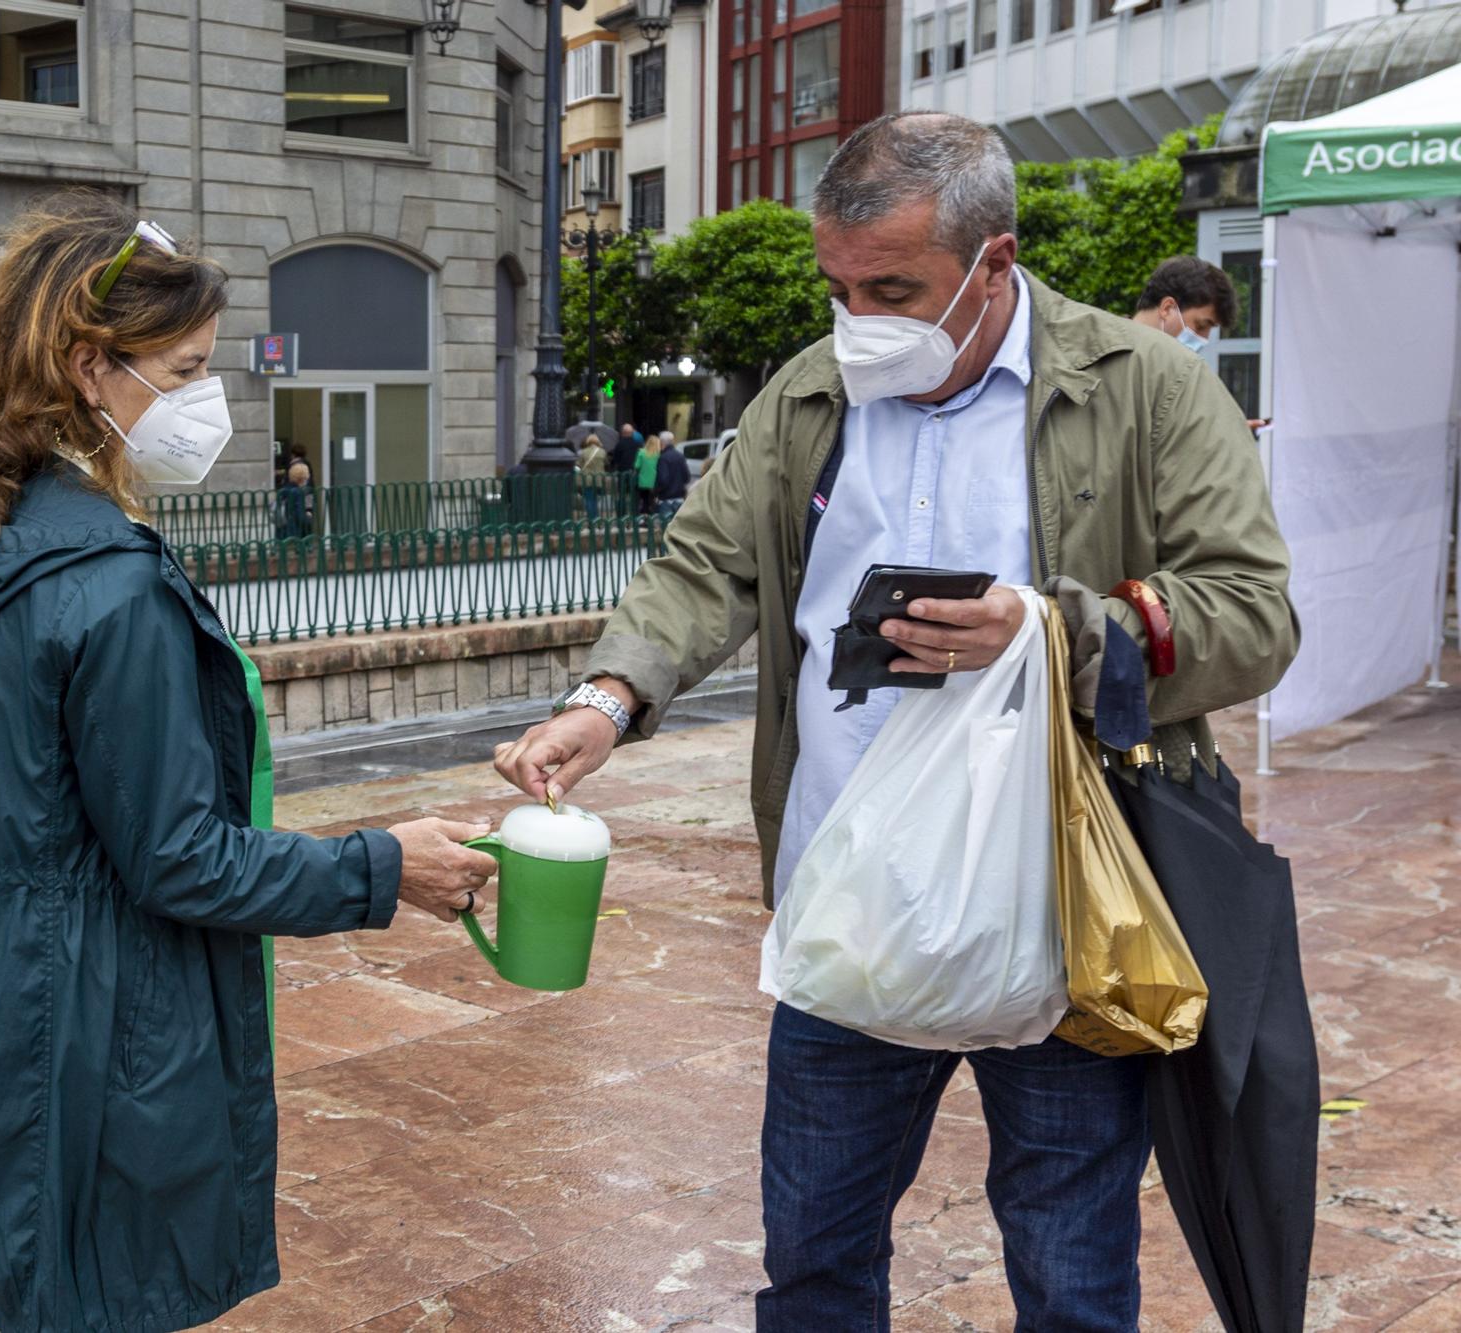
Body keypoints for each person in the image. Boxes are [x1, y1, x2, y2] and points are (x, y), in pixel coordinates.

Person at [492, 113, 1296, 1330]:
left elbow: (1251, 613)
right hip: (846, 906)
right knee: (811, 1259)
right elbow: (705, 568)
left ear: (994, 260)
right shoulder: (810, 392)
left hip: (1062, 906)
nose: (858, 318)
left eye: (892, 288)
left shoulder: (1148, 391)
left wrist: (1048, 628)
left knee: (1070, 1267)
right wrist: (608, 698)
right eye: (838, 285)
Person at [0, 193, 497, 1333]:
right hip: (83, 1036)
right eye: (181, 370)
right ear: (90, 370)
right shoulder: (107, 586)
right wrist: (383, 868)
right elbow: (179, 860)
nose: (205, 400)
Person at [1130, 256, 1265, 430]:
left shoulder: (1178, 374)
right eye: (1201, 325)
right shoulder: (1107, 358)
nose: (1204, 339)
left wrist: (1216, 434)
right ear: (1168, 308)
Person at [653, 430, 690, 519]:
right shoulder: (680, 456)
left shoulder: (663, 458)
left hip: (666, 499)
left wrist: (656, 492)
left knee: (666, 527)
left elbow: (663, 480)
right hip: (679, 498)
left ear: (661, 443)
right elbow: (687, 477)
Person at [276, 455, 312, 540]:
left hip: (282, 528)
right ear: (303, 477)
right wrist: (308, 518)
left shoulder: (285, 488)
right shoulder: (298, 492)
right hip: (294, 531)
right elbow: (299, 514)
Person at [577, 431, 608, 521]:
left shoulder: (583, 452)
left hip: (587, 478)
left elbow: (579, 464)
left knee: (589, 499)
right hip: (599, 478)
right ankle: (595, 516)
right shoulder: (602, 452)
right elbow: (606, 463)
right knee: (595, 499)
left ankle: (592, 518)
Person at [633, 433, 660, 516]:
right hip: (654, 481)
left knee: (643, 500)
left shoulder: (641, 452)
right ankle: (651, 517)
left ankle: (643, 517)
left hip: (642, 481)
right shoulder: (658, 455)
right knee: (651, 500)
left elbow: (636, 465)